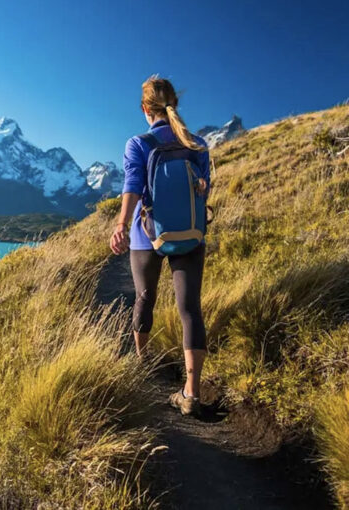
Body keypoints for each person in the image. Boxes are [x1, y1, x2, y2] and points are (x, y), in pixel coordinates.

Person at [109, 76, 210, 417]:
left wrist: (121, 224)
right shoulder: (197, 145)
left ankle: (144, 362)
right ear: (174, 105)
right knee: (190, 309)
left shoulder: (138, 144)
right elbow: (204, 190)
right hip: (191, 235)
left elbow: (133, 185)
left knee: (144, 297)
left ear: (144, 108)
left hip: (146, 235)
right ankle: (191, 393)